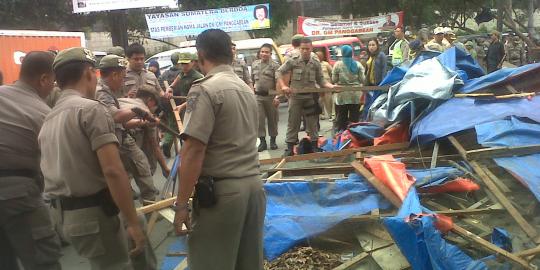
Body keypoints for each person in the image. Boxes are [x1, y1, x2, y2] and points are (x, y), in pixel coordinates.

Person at [39, 47, 146, 269]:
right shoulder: (90, 110)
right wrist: (132, 222)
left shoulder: (49, 119)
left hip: (66, 217)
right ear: (90, 73)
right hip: (96, 214)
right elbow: (113, 170)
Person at [172, 29, 266, 270]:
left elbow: (193, 151)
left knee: (211, 262)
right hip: (253, 187)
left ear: (200, 54)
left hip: (222, 194)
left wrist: (182, 205)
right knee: (247, 263)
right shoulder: (245, 88)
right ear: (230, 54)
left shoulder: (204, 88)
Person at [0, 51, 62, 270]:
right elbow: (55, 163)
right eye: (53, 82)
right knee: (42, 258)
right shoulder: (42, 113)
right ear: (44, 79)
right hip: (18, 193)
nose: (53, 88)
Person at [95, 54, 163, 203]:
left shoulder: (108, 90)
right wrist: (140, 111)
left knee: (135, 167)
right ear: (114, 75)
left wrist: (141, 121)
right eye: (122, 77)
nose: (123, 81)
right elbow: (116, 117)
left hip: (120, 135)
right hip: (112, 137)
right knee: (141, 165)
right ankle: (149, 203)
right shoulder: (101, 92)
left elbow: (122, 122)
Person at [278, 38, 336, 156]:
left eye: (307, 49)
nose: (305, 51)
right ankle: (290, 147)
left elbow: (321, 80)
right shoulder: (293, 59)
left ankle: (314, 146)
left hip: (310, 97)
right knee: (293, 122)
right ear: (300, 48)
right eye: (302, 49)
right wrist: (283, 86)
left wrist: (331, 86)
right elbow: (279, 72)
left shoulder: (315, 61)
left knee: (312, 123)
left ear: (311, 49)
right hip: (295, 97)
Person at [162, 52, 204, 157]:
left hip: (194, 107)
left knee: (192, 132)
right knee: (183, 131)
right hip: (184, 107)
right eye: (182, 64)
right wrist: (170, 88)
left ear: (193, 63)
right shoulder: (182, 73)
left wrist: (181, 106)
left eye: (186, 64)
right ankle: (184, 154)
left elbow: (196, 97)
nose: (184, 66)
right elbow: (175, 83)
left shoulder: (198, 77)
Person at [252, 43, 281, 152]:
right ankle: (262, 142)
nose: (264, 54)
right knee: (259, 120)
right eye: (262, 52)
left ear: (270, 54)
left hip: (271, 96)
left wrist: (277, 96)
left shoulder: (275, 66)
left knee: (272, 119)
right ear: (260, 53)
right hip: (258, 96)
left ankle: (273, 141)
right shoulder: (254, 64)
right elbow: (252, 80)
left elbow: (278, 81)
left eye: (266, 52)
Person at [332, 45, 366, 132]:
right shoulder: (358, 65)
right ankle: (353, 136)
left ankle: (342, 136)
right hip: (355, 95)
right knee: (354, 118)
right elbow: (362, 80)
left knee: (342, 117)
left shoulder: (337, 65)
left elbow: (334, 79)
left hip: (342, 95)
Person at [316, 50, 334, 121]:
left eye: (319, 56)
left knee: (328, 100)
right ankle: (321, 114)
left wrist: (331, 83)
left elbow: (331, 73)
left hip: (327, 85)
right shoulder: (314, 64)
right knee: (320, 100)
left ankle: (330, 115)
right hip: (318, 86)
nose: (318, 57)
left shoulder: (326, 64)